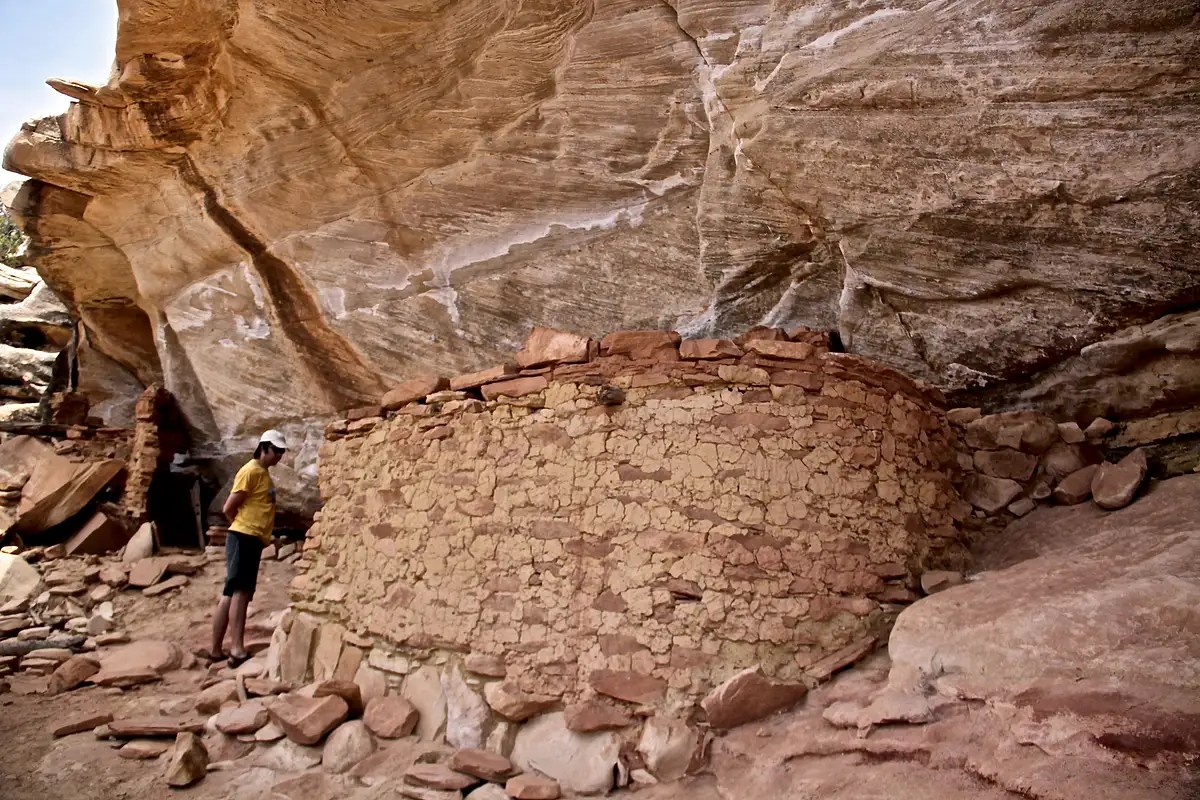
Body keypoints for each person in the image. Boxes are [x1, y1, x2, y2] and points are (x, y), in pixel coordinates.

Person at [200, 429, 287, 666]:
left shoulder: (263, 474)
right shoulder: (250, 471)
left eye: (282, 452)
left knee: (233, 591)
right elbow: (229, 507)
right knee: (240, 591)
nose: (279, 456)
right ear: (264, 447)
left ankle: (216, 650)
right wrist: (242, 528)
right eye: (276, 450)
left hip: (251, 538)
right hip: (243, 536)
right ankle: (236, 649)